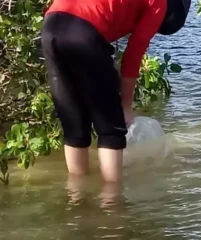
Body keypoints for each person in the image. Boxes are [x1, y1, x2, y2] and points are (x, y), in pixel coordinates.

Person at [40, 0, 191, 183]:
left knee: (75, 128)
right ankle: (113, 203)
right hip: (83, 31)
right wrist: (126, 106)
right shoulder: (160, 3)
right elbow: (134, 53)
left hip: (51, 27)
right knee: (111, 130)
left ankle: (77, 200)